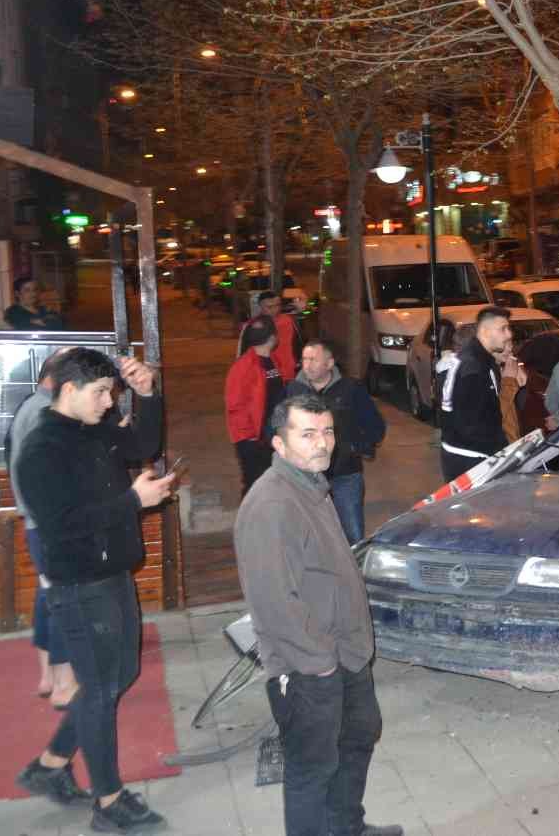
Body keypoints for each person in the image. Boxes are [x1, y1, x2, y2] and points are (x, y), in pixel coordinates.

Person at [15, 348, 171, 832]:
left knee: (119, 673)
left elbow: (141, 442)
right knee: (101, 690)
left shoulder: (92, 429)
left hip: (113, 574)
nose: (109, 402)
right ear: (68, 391)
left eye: (113, 392)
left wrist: (146, 394)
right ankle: (108, 802)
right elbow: (62, 529)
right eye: (101, 392)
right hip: (80, 584)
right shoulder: (41, 451)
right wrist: (132, 500)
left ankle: (51, 764)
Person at [233, 394, 401, 836]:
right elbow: (274, 601)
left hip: (345, 654)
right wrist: (320, 665)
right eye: (307, 434)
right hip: (310, 667)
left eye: (326, 431)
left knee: (358, 739)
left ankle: (347, 827)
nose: (321, 443)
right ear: (278, 443)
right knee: (312, 769)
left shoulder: (311, 485)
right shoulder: (272, 504)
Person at [6, 349, 78, 707]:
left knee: (47, 596)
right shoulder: (41, 414)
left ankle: (48, 675)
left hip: (37, 521)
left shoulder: (28, 406)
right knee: (62, 598)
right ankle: (63, 683)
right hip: (46, 524)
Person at [288, 340, 386, 543]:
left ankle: (352, 573)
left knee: (352, 535)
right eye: (304, 359)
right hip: (307, 478)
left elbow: (375, 426)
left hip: (345, 476)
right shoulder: (293, 391)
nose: (307, 364)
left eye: (313, 359)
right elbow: (276, 428)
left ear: (330, 363)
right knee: (312, 538)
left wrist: (355, 447)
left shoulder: (351, 389)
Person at [437, 306, 524, 481]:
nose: (509, 335)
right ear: (484, 331)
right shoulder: (473, 368)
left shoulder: (481, 360)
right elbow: (472, 426)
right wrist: (502, 454)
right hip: (471, 460)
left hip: (471, 456)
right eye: (503, 329)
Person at [227, 315, 287, 497]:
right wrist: (249, 437)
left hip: (272, 434)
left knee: (274, 484)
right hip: (253, 438)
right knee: (255, 485)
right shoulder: (244, 366)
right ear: (273, 337)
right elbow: (236, 405)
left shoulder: (274, 360)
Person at [245, 290, 300, 382]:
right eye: (269, 307)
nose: (274, 309)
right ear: (260, 307)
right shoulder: (255, 325)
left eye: (277, 305)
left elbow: (298, 342)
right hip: (267, 373)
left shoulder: (288, 321)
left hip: (289, 372)